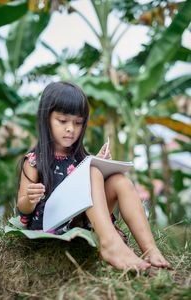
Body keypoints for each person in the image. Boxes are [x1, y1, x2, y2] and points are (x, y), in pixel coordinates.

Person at [17, 81, 172, 271]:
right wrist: (30, 199)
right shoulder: (35, 161)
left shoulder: (81, 158)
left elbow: (92, 193)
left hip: (82, 222)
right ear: (45, 119)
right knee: (92, 170)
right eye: (62, 121)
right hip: (52, 226)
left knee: (119, 181)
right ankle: (110, 245)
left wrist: (98, 164)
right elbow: (22, 208)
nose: (70, 129)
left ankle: (150, 249)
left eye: (78, 123)